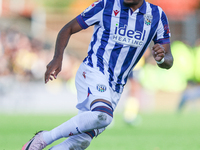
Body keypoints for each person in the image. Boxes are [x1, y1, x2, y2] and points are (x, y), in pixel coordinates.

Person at [22, 0, 173, 149]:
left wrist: (160, 59)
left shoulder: (157, 15)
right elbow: (68, 28)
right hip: (93, 71)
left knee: (80, 141)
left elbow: (168, 59)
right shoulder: (106, 5)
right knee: (103, 115)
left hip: (116, 87)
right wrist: (57, 57)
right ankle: (44, 138)